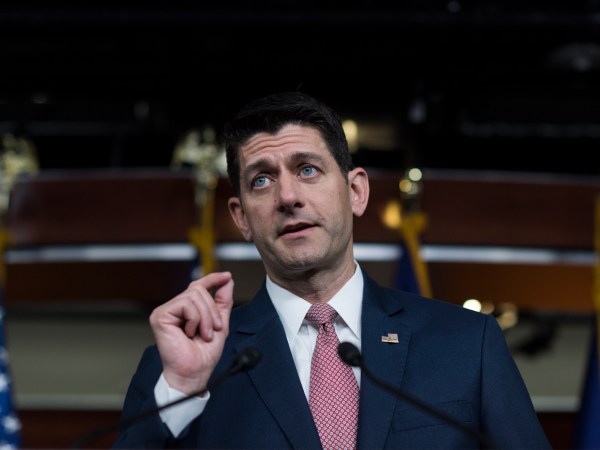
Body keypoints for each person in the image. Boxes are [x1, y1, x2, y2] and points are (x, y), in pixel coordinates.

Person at [112, 91, 551, 449]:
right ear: (242, 217)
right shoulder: (183, 367)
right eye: (261, 180)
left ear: (356, 191)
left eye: (307, 169)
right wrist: (182, 392)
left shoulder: (466, 345)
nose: (287, 196)